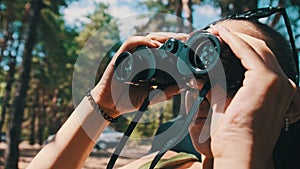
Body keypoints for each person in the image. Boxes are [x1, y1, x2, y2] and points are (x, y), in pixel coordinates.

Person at [27, 9, 300, 169]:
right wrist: (102, 106)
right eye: (196, 68)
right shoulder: (164, 164)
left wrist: (239, 147)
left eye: (235, 71)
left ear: (291, 104)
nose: (204, 88)